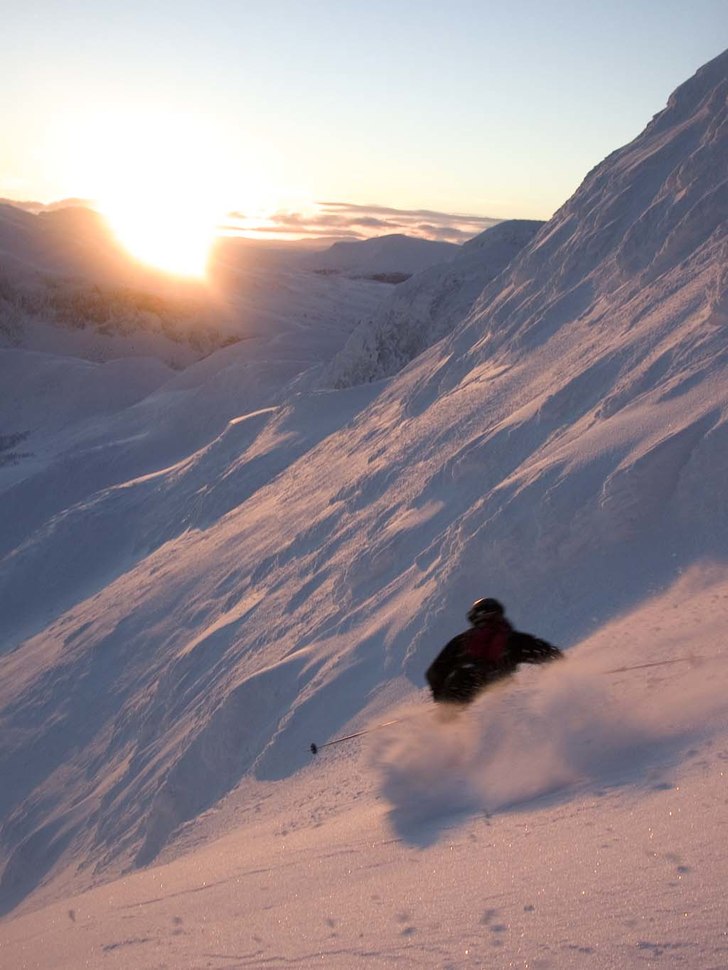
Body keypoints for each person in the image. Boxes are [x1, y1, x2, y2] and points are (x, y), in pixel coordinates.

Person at [426, 597, 563, 704]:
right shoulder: (513, 639)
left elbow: (434, 672)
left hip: (460, 696)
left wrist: (442, 702)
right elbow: (547, 653)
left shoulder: (460, 641)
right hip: (499, 698)